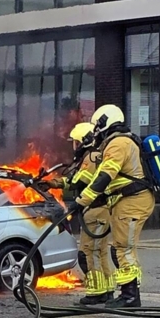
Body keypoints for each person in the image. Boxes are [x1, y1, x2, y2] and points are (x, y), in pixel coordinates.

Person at [72, 105, 156, 309]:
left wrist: (82, 200)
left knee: (124, 249)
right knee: (120, 247)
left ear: (104, 123)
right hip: (126, 201)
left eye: (97, 125)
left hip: (131, 201)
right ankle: (127, 294)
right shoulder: (117, 142)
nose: (96, 131)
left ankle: (130, 296)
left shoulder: (118, 143)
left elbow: (105, 175)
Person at [45, 122, 117, 306]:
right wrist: (53, 183)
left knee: (87, 252)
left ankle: (95, 292)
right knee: (100, 252)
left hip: (94, 210)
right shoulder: (95, 155)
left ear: (84, 141)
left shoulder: (91, 157)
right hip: (101, 210)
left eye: (76, 142)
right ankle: (108, 290)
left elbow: (78, 180)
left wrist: (56, 183)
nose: (74, 146)